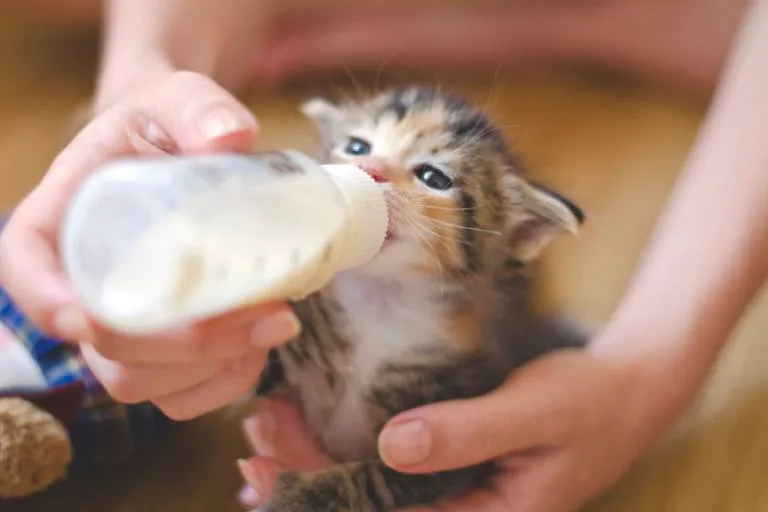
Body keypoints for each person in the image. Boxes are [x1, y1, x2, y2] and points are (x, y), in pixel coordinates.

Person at [0, 0, 766, 510]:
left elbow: (432, 465)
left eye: (430, 176)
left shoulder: (458, 352)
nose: (371, 174)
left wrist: (644, 372)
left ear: (511, 241)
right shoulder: (306, 284)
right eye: (360, 147)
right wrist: (141, 79)